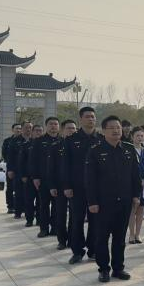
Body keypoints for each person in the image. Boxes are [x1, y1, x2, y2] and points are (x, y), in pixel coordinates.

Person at [85, 116, 142, 283]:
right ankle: (103, 269)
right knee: (102, 237)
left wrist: (136, 195)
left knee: (119, 237)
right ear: (104, 131)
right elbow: (90, 179)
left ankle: (118, 268)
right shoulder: (95, 151)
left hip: (124, 201)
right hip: (103, 203)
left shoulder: (128, 149)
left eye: (118, 127)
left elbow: (135, 175)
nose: (116, 130)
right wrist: (92, 202)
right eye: (112, 128)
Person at [62, 107, 102, 264]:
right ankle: (77, 251)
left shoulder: (101, 139)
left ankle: (93, 249)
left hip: (97, 188)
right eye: (87, 116)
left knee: (96, 220)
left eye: (93, 116)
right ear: (81, 119)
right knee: (77, 220)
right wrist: (67, 186)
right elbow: (65, 165)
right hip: (77, 187)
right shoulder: (71, 140)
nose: (91, 119)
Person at [48, 119, 77, 250]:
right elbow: (51, 168)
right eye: (69, 128)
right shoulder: (56, 146)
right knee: (60, 214)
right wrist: (52, 186)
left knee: (74, 215)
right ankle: (61, 240)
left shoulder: (78, 145)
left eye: (73, 128)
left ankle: (72, 239)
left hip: (75, 185)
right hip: (59, 185)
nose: (72, 131)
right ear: (63, 130)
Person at [30, 117, 61, 238]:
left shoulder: (62, 140)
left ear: (59, 126)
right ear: (46, 126)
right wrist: (35, 177)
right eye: (51, 124)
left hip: (58, 179)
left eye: (56, 124)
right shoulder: (39, 141)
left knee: (57, 206)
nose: (53, 126)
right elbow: (33, 161)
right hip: (43, 178)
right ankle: (43, 228)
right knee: (44, 204)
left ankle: (55, 228)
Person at [20, 124, 44, 228]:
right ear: (32, 132)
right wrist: (23, 175)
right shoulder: (26, 145)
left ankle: (39, 219)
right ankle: (29, 219)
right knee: (29, 200)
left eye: (40, 131)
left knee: (41, 201)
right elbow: (21, 162)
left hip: (42, 177)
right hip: (29, 177)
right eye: (36, 130)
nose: (38, 132)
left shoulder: (44, 144)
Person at [8, 121, 33, 220]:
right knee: (18, 192)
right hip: (18, 171)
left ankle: (29, 211)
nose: (28, 129)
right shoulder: (15, 141)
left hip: (30, 171)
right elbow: (10, 156)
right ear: (22, 128)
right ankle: (18, 211)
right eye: (26, 127)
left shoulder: (34, 140)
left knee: (29, 194)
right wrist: (10, 170)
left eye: (30, 127)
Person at [127, 127, 144, 244]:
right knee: (132, 209)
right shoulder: (128, 150)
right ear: (132, 137)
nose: (140, 138)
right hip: (132, 185)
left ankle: (138, 234)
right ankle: (131, 234)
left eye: (142, 136)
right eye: (137, 136)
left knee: (141, 210)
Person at [2, 123, 22, 213]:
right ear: (12, 130)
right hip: (11, 168)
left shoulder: (23, 140)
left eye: (20, 128)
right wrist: (11, 166)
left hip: (21, 168)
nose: (18, 130)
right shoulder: (7, 141)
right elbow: (4, 154)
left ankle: (21, 206)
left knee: (21, 188)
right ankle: (10, 206)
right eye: (17, 128)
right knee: (10, 188)